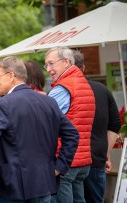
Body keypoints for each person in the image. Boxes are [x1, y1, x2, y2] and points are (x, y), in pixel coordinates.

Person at [0, 56, 79, 203]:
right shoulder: (49, 101)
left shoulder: (3, 104)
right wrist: (59, 166)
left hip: (11, 187)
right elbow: (72, 134)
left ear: (11, 76)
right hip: (43, 184)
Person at [44, 47, 95, 203]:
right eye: (46, 65)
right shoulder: (84, 84)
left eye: (51, 64)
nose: (48, 69)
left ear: (66, 62)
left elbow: (45, 120)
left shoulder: (62, 88)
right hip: (83, 158)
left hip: (64, 160)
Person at [73, 50, 122, 203]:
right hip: (96, 157)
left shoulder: (62, 91)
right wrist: (106, 153)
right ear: (84, 67)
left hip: (71, 161)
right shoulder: (102, 90)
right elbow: (115, 124)